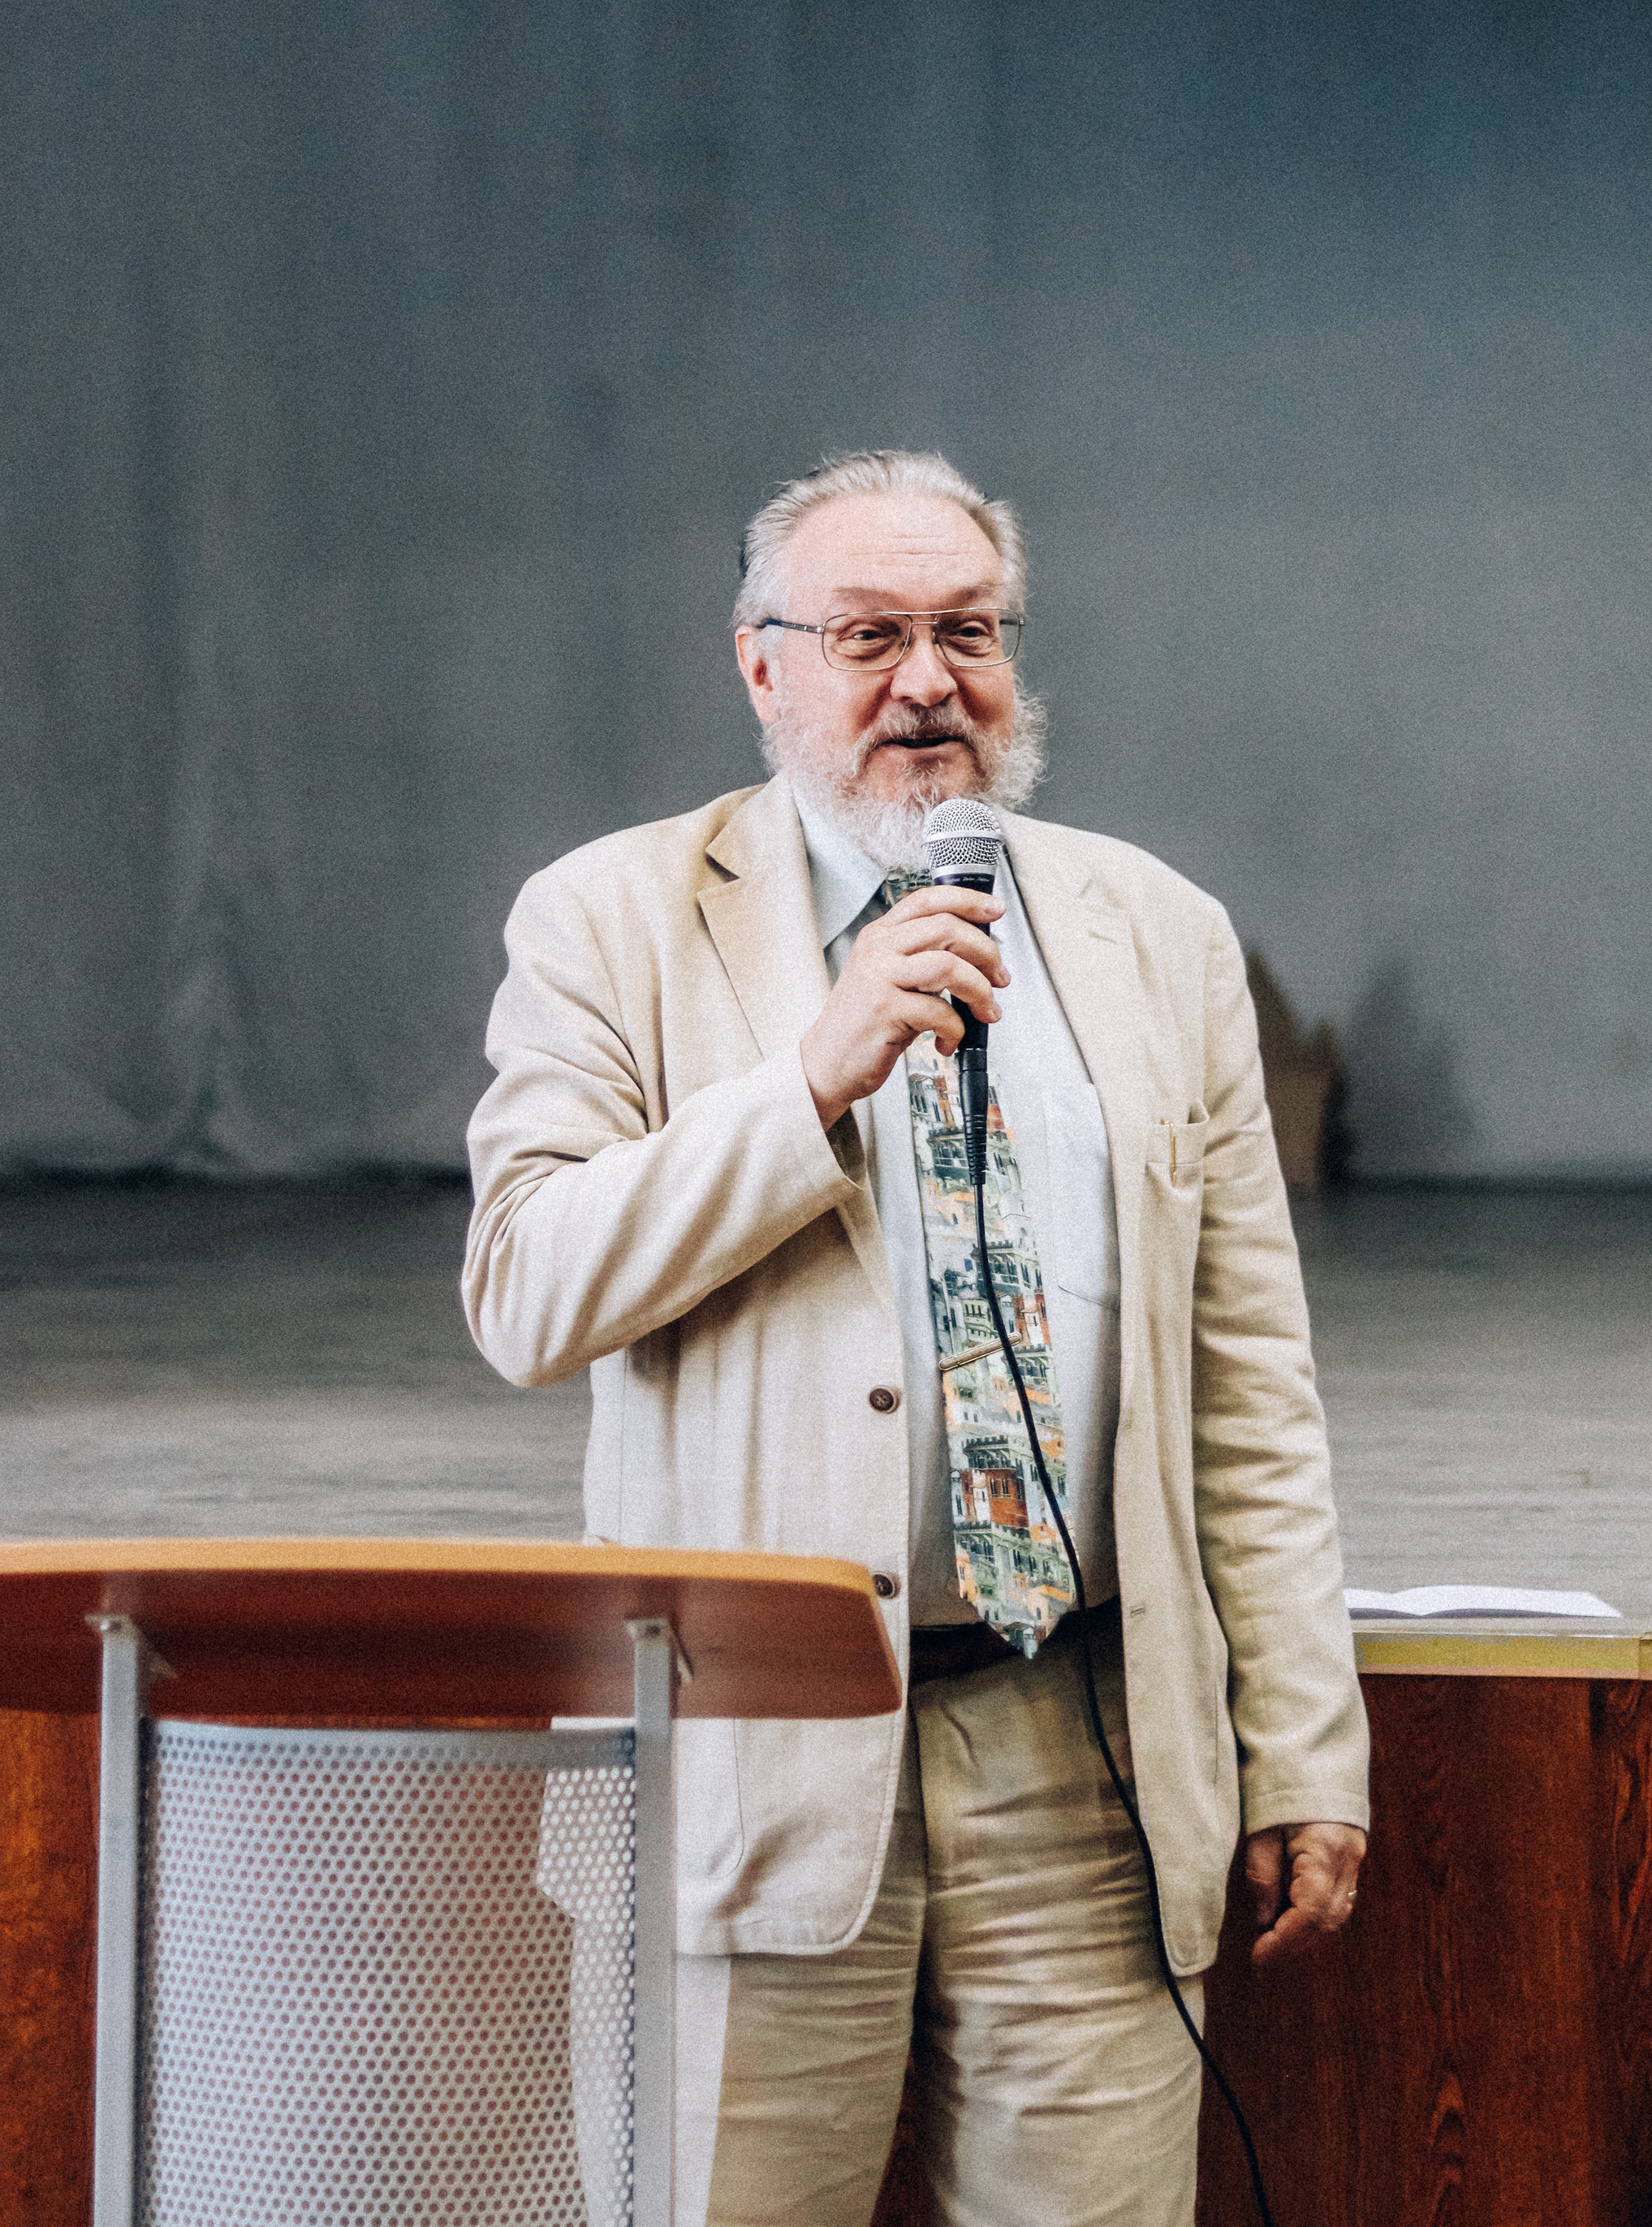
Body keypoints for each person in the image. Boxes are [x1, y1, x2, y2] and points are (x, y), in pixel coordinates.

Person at [464, 450, 1369, 2227]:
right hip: (743, 1764)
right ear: (761, 668)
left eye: (965, 631)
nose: (926, 683)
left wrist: (1304, 1744)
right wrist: (808, 1074)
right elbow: (525, 1288)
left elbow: (1250, 1389)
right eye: (867, 635)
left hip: (1078, 1763)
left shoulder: (1154, 933)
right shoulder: (614, 916)